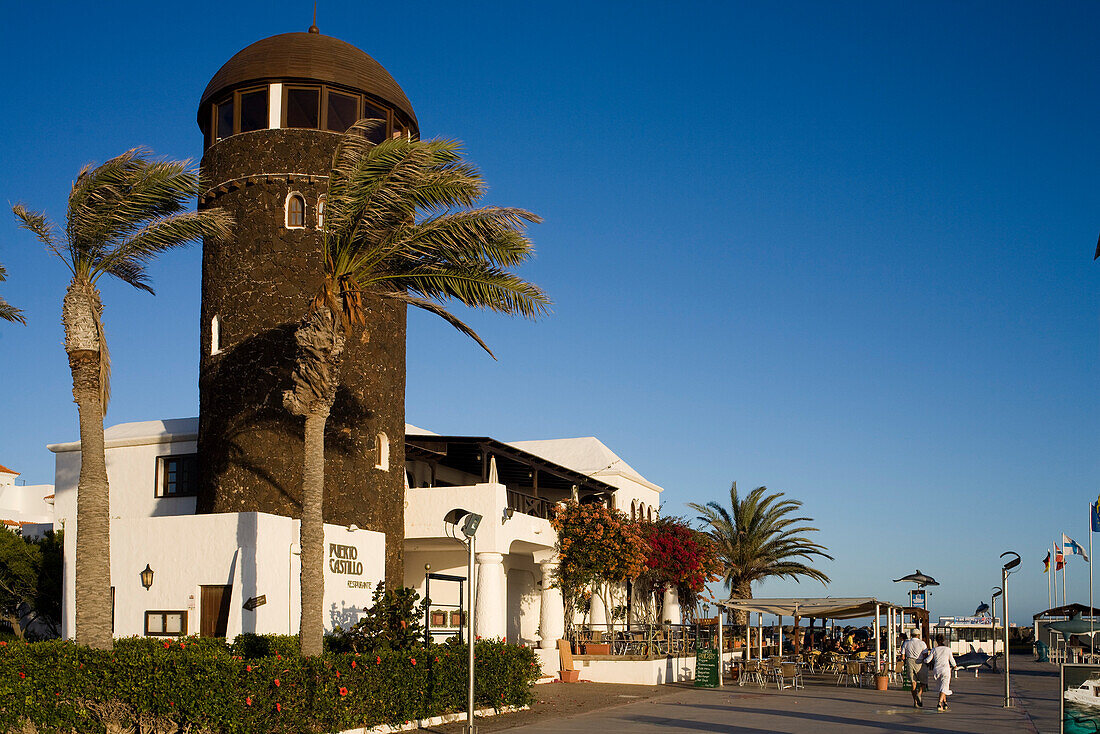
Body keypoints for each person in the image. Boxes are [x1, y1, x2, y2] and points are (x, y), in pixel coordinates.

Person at [924, 633, 958, 711]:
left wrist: (923, 660)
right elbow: (951, 659)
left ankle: (945, 702)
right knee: (944, 686)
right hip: (945, 669)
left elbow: (928, 660)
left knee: (941, 686)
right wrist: (955, 665)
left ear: (936, 641)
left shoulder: (934, 649)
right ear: (944, 640)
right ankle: (939, 703)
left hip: (937, 670)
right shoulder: (948, 649)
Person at [899, 629, 928, 707]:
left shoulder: (906, 643)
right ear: (918, 635)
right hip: (920, 662)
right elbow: (925, 655)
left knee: (913, 683)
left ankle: (915, 702)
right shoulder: (922, 643)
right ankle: (919, 693)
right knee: (923, 682)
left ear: (911, 635)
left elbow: (903, 656)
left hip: (909, 661)